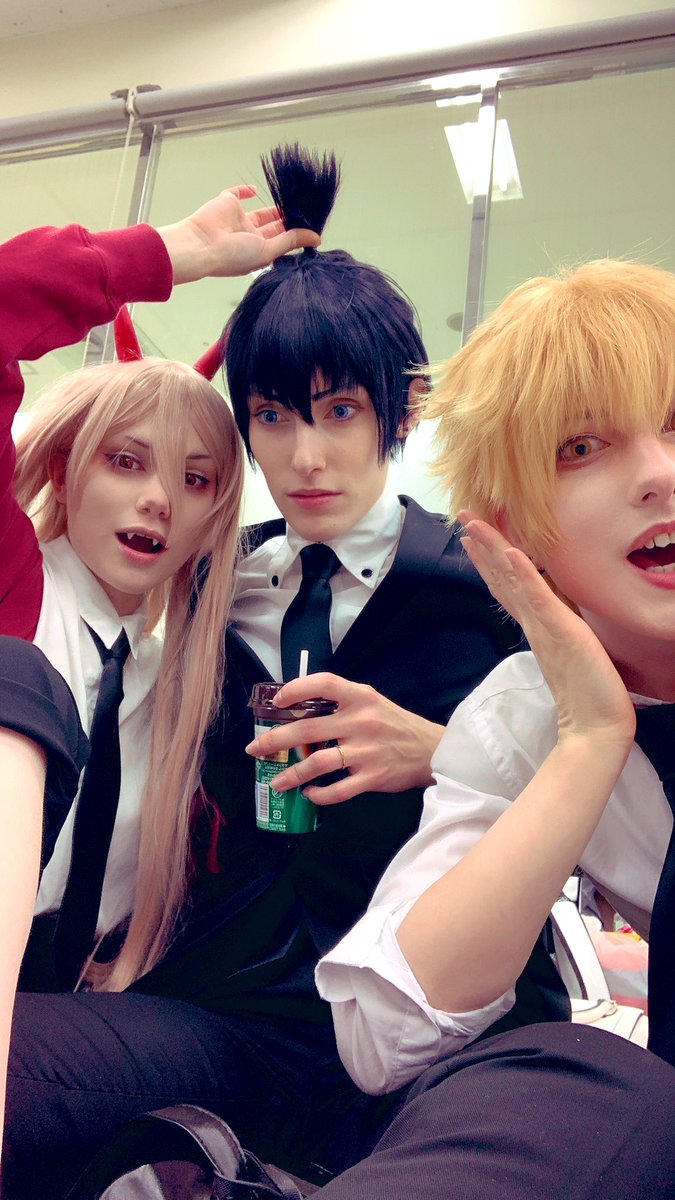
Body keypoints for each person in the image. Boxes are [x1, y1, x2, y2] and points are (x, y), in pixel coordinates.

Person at [2, 147, 527, 1198]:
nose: (305, 457)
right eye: (274, 418)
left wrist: (447, 753)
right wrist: (172, 255)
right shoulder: (206, 589)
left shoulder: (494, 585)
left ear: (400, 414)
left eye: (339, 412)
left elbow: (607, 776)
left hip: (432, 1033)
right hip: (222, 1020)